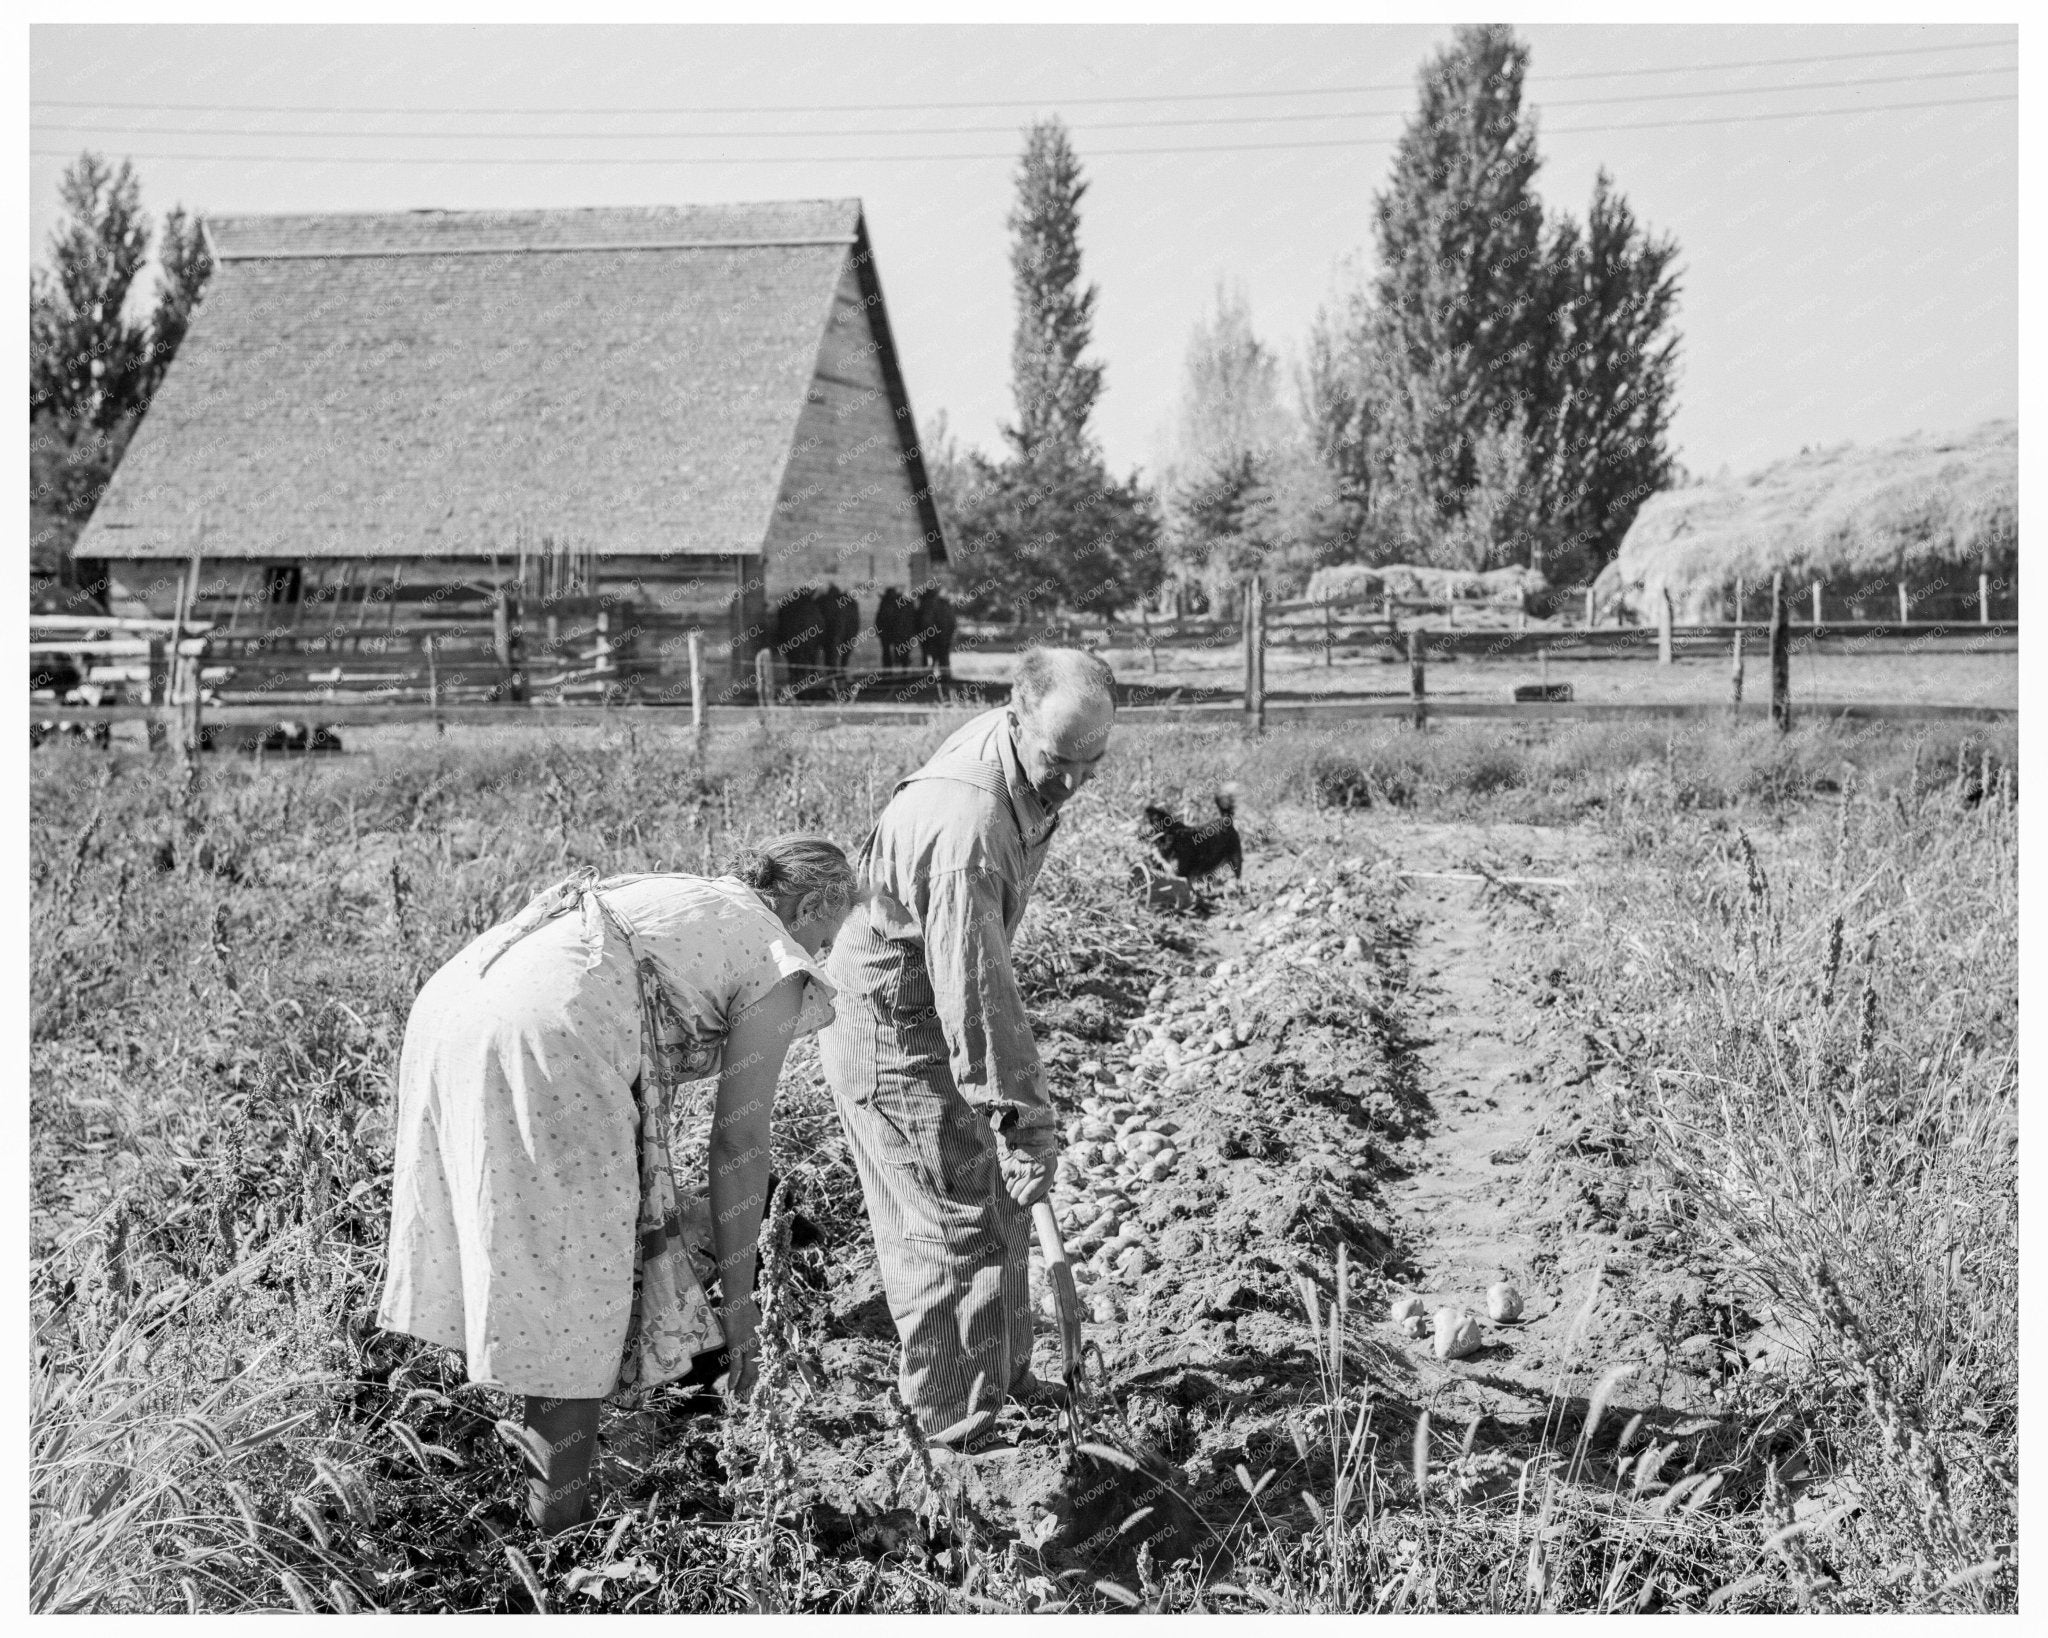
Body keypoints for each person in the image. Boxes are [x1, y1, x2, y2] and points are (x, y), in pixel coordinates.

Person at [377, 837, 856, 1532]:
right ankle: (556, 1547)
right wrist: (742, 1309)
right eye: (827, 936)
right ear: (808, 905)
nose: (822, 955)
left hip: (460, 1002)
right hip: (548, 1040)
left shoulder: (694, 898)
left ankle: (511, 1481)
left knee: (524, 1263)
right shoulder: (773, 948)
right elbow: (739, 1139)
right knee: (578, 1300)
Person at [819, 648, 1118, 1455]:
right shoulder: (970, 831)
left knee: (995, 1212)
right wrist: (1024, 1124)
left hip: (931, 996)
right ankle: (952, 1434)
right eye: (1060, 763)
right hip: (895, 1027)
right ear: (1016, 717)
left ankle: (1003, 1385)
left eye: (1092, 763)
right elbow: (975, 996)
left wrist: (1011, 1132)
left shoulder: (1023, 758)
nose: (1073, 785)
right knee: (950, 1231)